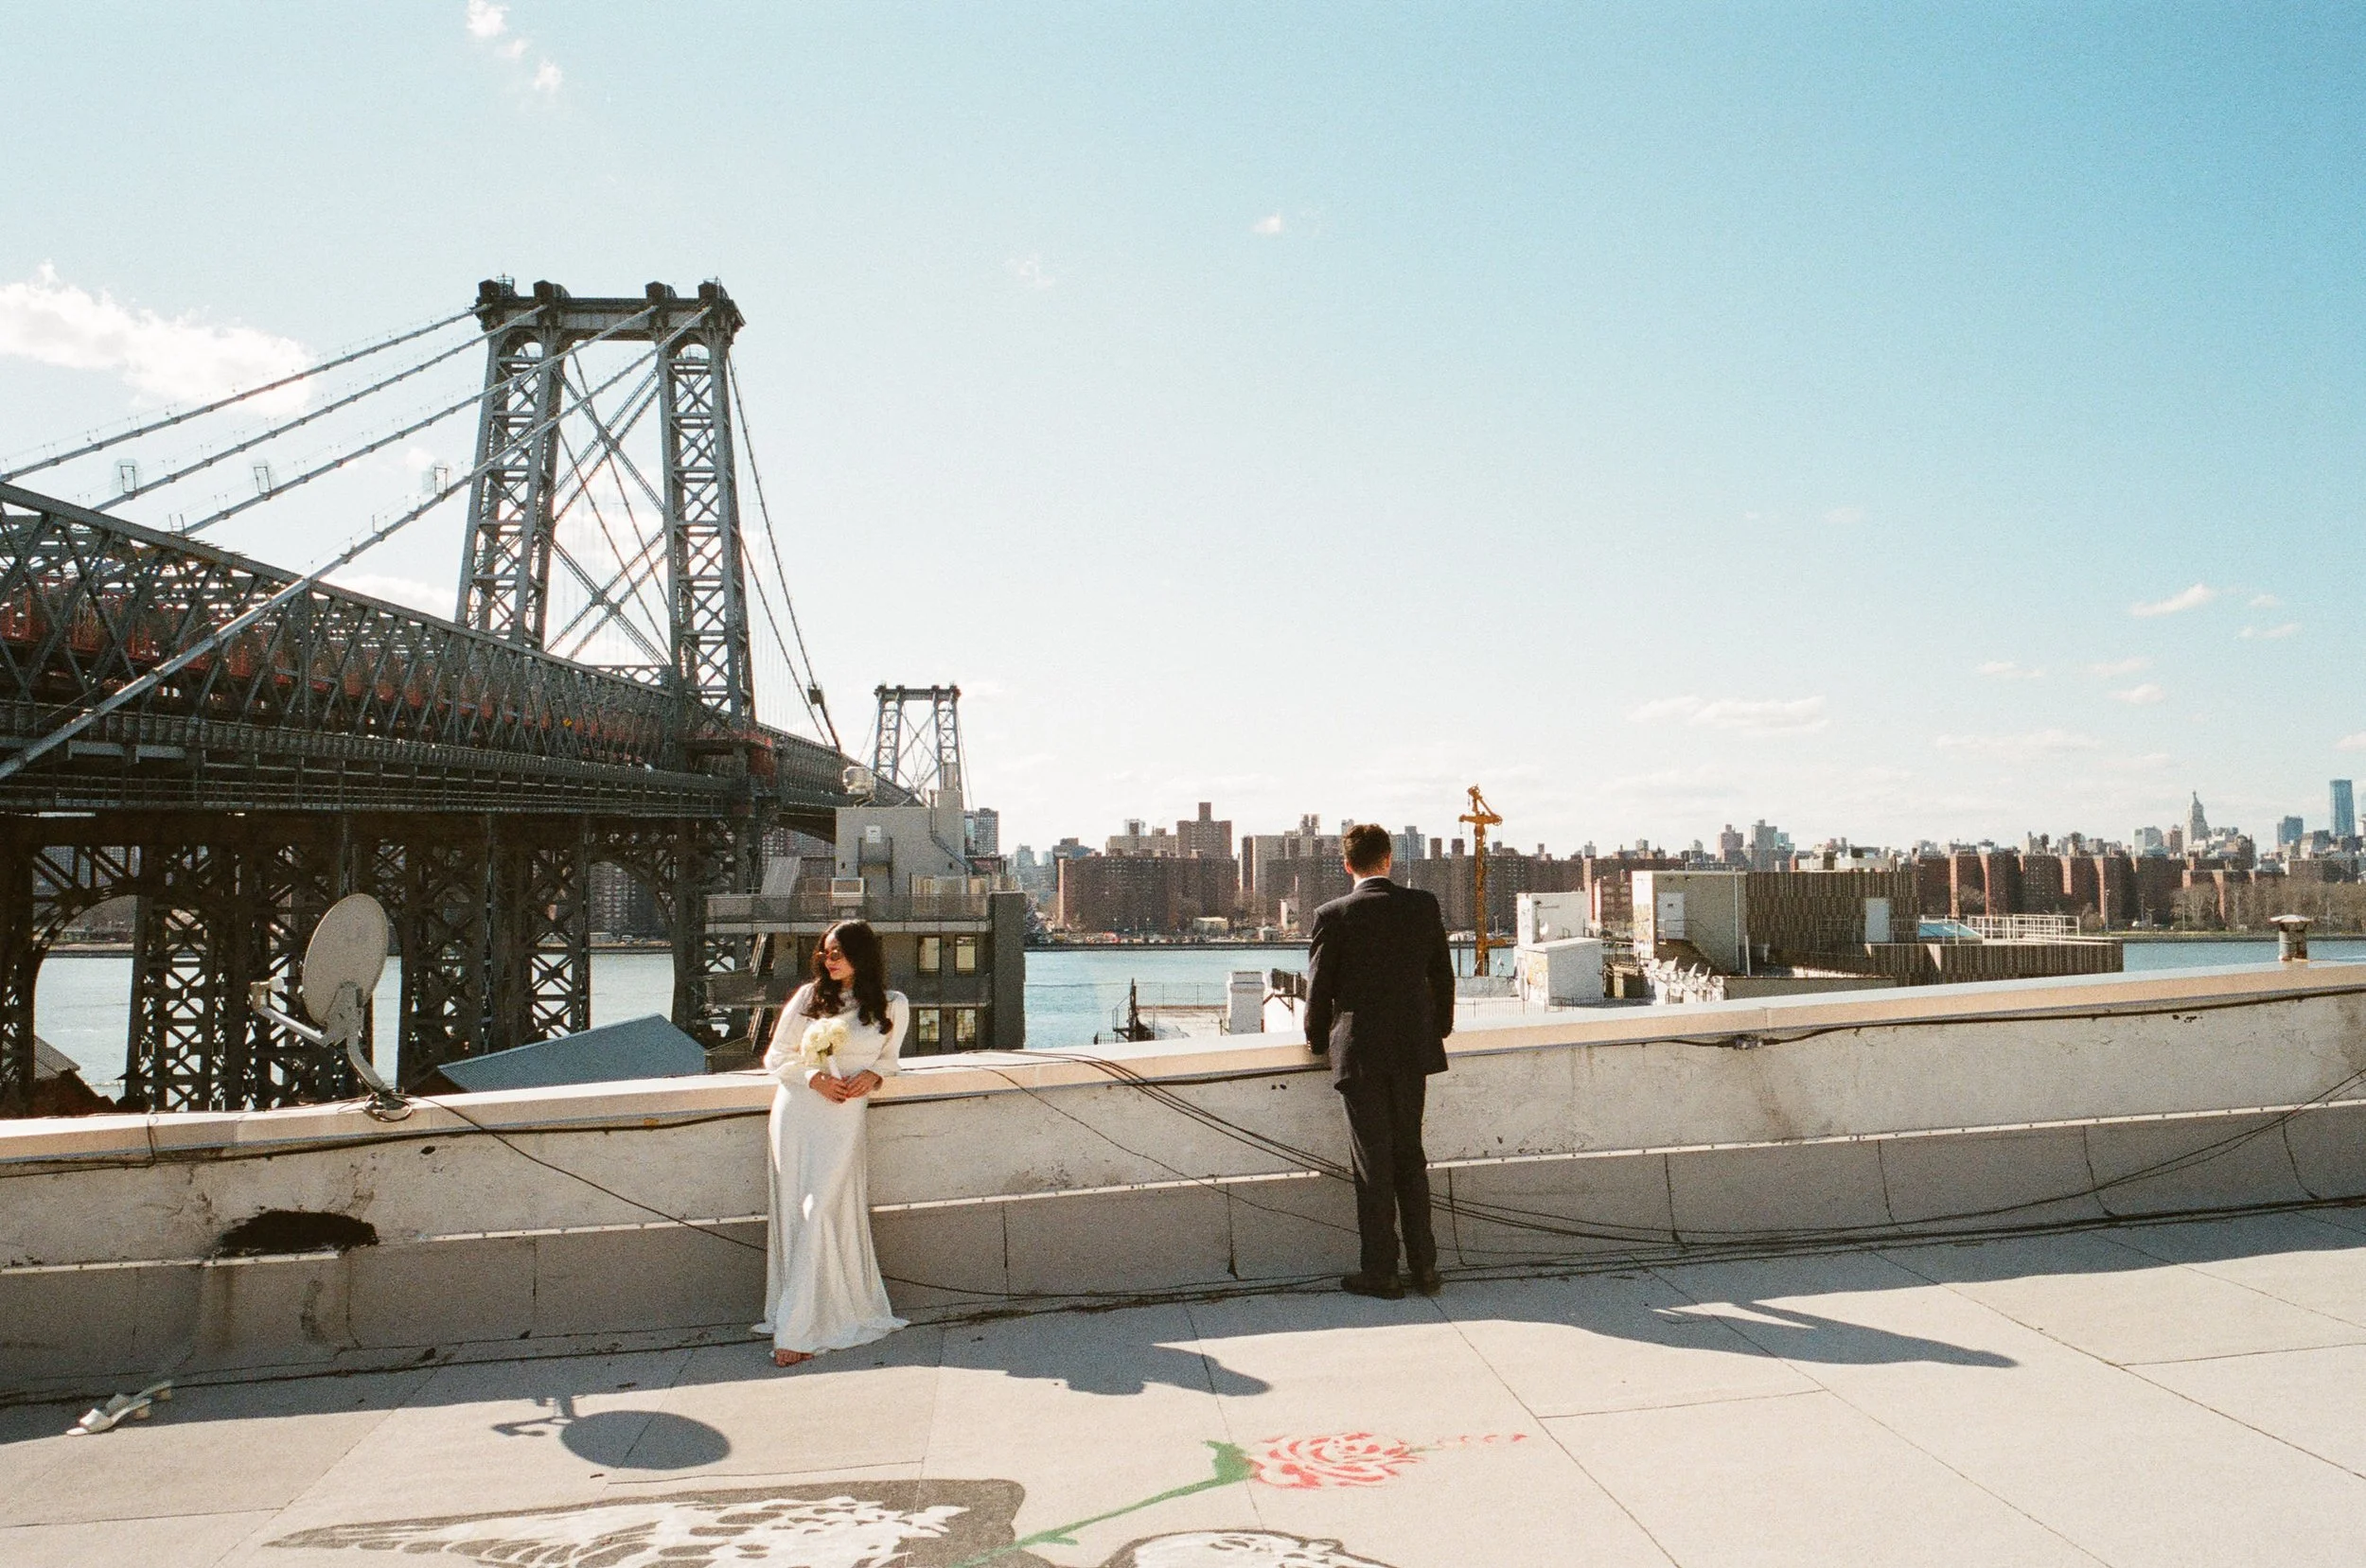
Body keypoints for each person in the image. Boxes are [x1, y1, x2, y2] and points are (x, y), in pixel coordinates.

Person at [1302, 822, 1456, 1300]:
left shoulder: (1333, 915)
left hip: (1360, 1053)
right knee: (1410, 1156)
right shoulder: (1423, 906)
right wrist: (1438, 1029)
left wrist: (1316, 1043)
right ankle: (1425, 1269)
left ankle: (1381, 1273)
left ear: (1348, 865)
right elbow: (1444, 978)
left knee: (1373, 1165)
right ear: (1389, 860)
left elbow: (1319, 991)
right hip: (1414, 1050)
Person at [753, 919, 909, 1366]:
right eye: (825, 952)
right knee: (798, 1212)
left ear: (862, 954)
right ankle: (797, 1326)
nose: (830, 959)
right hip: (799, 1109)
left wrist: (874, 1075)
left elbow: (890, 1062)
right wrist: (813, 1077)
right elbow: (776, 1057)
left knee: (820, 1207)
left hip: (844, 1116)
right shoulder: (807, 998)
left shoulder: (893, 1005)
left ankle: (808, 1322)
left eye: (838, 951)